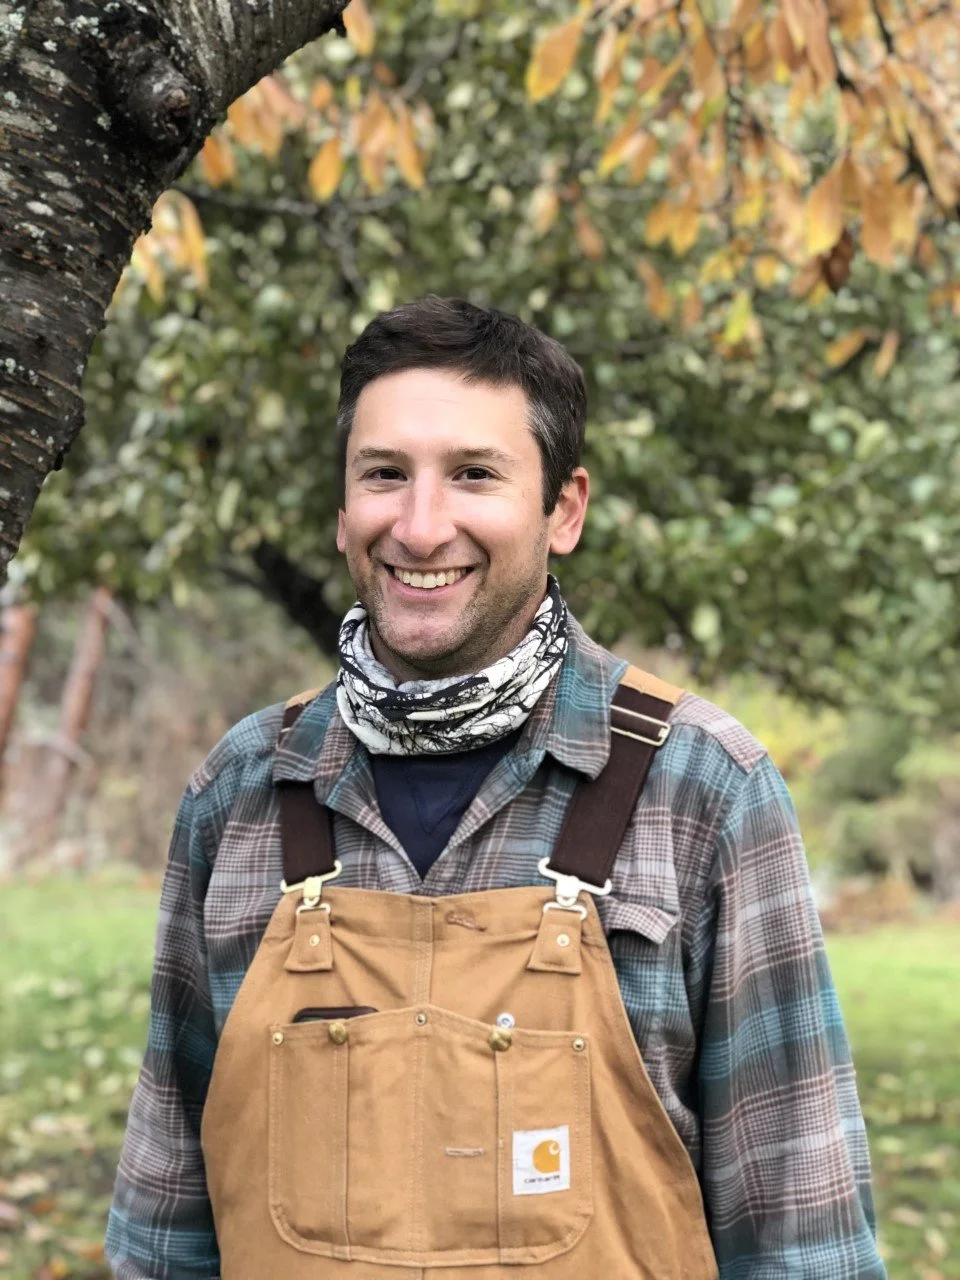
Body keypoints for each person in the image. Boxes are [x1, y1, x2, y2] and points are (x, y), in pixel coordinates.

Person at [106, 296, 886, 1279]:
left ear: (563, 509)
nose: (422, 526)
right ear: (344, 507)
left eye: (474, 474)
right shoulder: (246, 789)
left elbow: (804, 1237)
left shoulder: (701, 786)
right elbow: (167, 1224)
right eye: (386, 475)